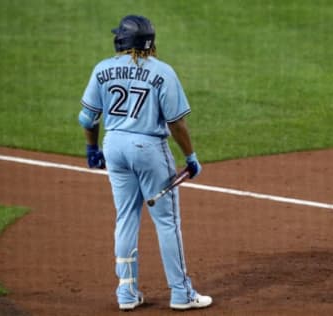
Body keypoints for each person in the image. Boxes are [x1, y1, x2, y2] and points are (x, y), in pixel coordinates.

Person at [78, 15, 212, 311]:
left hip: (113, 145)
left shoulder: (102, 69)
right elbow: (177, 123)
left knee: (125, 216)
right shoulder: (163, 72)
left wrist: (91, 149)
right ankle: (181, 294)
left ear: (121, 40)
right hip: (149, 148)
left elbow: (87, 118)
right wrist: (190, 157)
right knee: (166, 221)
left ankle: (126, 294)